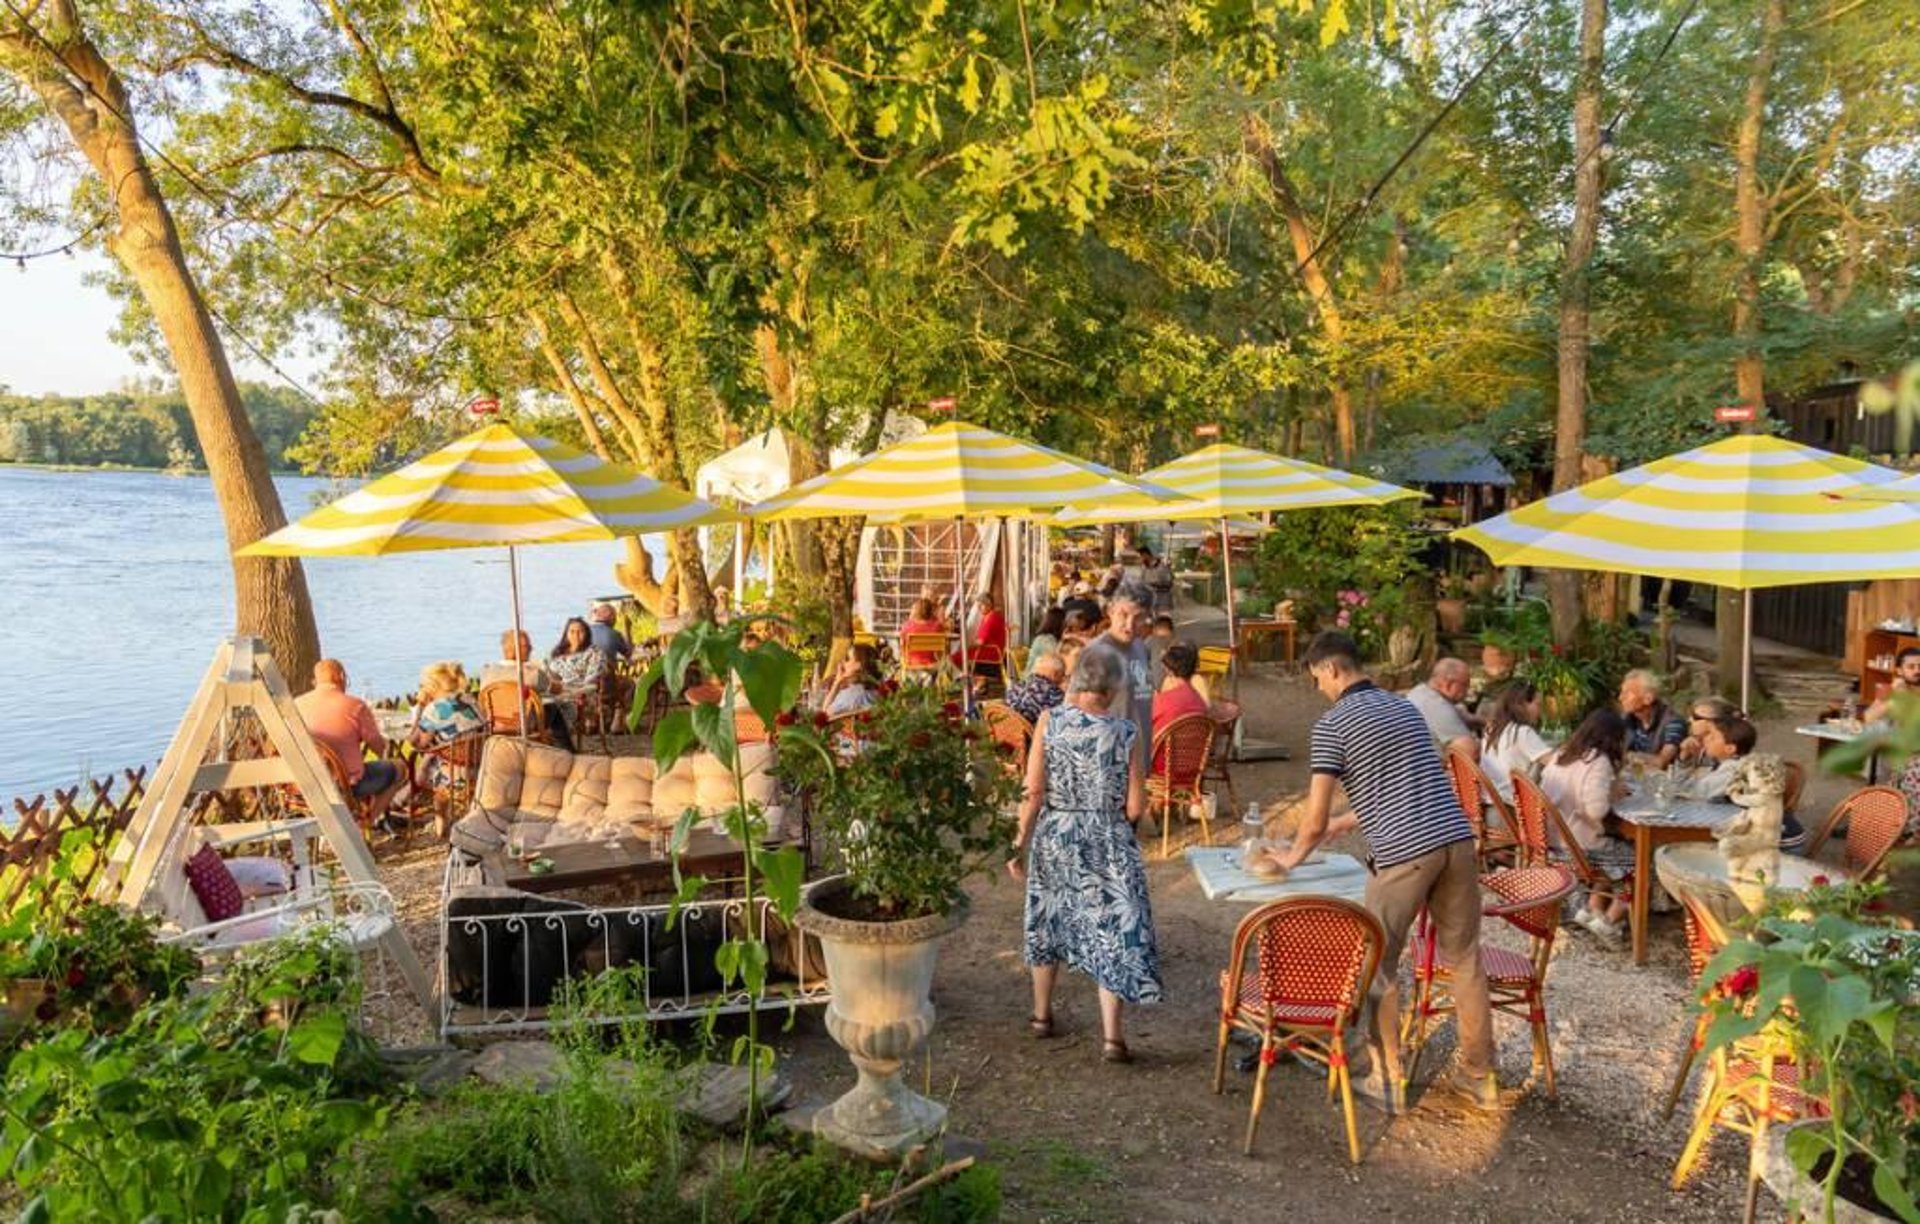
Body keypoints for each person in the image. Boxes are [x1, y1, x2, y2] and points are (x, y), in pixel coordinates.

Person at [1265, 631, 1497, 1112]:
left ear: (1330, 669)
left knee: (1376, 965)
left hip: (1405, 852)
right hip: (1454, 838)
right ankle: (1480, 1077)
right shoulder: (1406, 707)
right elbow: (1410, 778)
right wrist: (1345, 823)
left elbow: (1308, 821)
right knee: (1467, 959)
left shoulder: (1333, 725)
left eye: (1317, 681)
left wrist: (1290, 857)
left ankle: (1386, 1079)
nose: (1320, 691)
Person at [1009, 646, 1160, 1063]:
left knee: (1048, 917)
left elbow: (1032, 790)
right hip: (1106, 834)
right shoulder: (1126, 732)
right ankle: (1112, 1038)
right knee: (1110, 929)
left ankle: (1041, 1015)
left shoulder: (1048, 721)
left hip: (1057, 832)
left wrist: (1018, 841)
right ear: (1111, 687)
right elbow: (1135, 807)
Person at [1539, 709, 1636, 946]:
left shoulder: (1561, 754)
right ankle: (1611, 921)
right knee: (1641, 860)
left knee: (1614, 849)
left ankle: (1592, 909)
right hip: (1577, 848)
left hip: (1552, 843)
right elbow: (1596, 810)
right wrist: (1612, 793)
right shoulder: (1598, 761)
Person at [294, 659, 405, 822]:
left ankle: (351, 820)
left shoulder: (296, 705)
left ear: (315, 681)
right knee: (399, 768)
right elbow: (379, 747)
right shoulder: (355, 706)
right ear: (341, 676)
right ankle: (367, 821)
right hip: (345, 786)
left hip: (306, 784)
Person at [1080, 585, 1154, 776]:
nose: (1130, 625)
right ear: (1110, 612)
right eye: (1123, 615)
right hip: (1107, 764)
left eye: (1137, 617)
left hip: (1138, 759)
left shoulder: (1140, 646)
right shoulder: (1098, 653)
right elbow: (1079, 710)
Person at [481, 629, 572, 750]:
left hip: (494, 724)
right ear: (512, 648)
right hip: (524, 725)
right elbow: (557, 689)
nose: (531, 648)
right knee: (553, 708)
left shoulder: (487, 672)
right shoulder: (532, 674)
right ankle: (567, 751)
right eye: (526, 646)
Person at [409, 662, 484, 789]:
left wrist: (420, 709)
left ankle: (404, 800)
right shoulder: (469, 699)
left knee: (419, 772)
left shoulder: (435, 709)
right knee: (430, 758)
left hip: (454, 776)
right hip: (481, 769)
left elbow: (416, 743)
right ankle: (401, 800)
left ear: (432, 686)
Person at [1479, 681, 1554, 803]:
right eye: (1538, 704)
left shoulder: (1492, 730)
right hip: (1513, 808)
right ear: (1523, 704)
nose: (1540, 711)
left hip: (1491, 802)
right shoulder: (1522, 732)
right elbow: (1554, 763)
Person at [1405, 658, 1480, 761]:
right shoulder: (1438, 706)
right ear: (1448, 684)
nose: (1468, 690)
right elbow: (1469, 751)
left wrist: (1487, 722)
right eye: (1465, 685)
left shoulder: (1419, 691)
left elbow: (1462, 716)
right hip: (1433, 769)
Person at [1150, 640, 1210, 763]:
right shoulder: (1199, 701)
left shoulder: (1163, 701)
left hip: (1162, 765)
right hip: (1193, 766)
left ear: (1169, 671)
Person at [1618, 669, 1685, 767]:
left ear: (1648, 698)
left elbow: (1662, 762)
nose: (1620, 698)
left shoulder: (1673, 722)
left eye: (1627, 693)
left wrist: (1629, 756)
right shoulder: (1626, 719)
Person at [549, 617, 608, 702]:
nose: (576, 635)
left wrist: (569, 691)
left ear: (586, 634)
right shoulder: (558, 652)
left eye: (580, 631)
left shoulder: (594, 653)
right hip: (558, 693)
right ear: (566, 634)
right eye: (572, 631)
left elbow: (592, 680)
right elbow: (549, 675)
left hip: (581, 694)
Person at [1004, 653, 1067, 723]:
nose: (1063, 678)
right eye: (1062, 675)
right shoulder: (1054, 693)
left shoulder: (1019, 686)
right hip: (1033, 731)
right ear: (1054, 675)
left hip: (1007, 726)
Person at [823, 644, 881, 717]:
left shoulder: (852, 694)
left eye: (848, 659)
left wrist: (837, 682)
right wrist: (838, 681)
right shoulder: (878, 691)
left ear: (859, 665)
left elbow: (824, 713)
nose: (843, 663)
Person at [1866, 647, 1920, 722]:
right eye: (1911, 667)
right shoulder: (1888, 689)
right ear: (1899, 671)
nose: (1917, 670)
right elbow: (1868, 717)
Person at [899, 597, 948, 670]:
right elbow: (940, 652)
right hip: (932, 665)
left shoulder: (906, 627)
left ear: (915, 611)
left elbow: (902, 649)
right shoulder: (937, 627)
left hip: (911, 664)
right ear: (931, 612)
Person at [586, 601, 632, 668]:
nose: (615, 620)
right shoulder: (615, 634)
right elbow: (628, 653)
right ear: (611, 617)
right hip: (606, 675)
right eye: (615, 617)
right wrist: (627, 628)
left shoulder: (585, 631)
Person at [1025, 607, 1066, 676]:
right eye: (1065, 623)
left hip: (1044, 675)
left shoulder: (1050, 638)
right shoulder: (1045, 640)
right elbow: (1058, 658)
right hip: (1034, 679)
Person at [1140, 548, 1175, 618]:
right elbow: (1142, 582)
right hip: (1149, 600)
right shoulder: (1143, 567)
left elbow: (1169, 581)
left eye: (1141, 556)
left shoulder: (1163, 565)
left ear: (1146, 555)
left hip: (1163, 599)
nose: (1140, 559)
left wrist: (1155, 584)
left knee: (1163, 621)